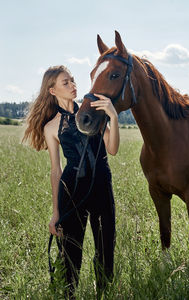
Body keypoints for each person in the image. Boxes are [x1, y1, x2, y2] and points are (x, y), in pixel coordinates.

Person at [23, 65, 119, 299]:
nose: (73, 85)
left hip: (101, 187)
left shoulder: (92, 113)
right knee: (69, 252)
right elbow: (56, 170)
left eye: (73, 80)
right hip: (72, 190)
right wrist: (55, 213)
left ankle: (103, 294)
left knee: (106, 249)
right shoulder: (51, 127)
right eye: (65, 82)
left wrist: (113, 116)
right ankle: (68, 295)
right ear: (52, 90)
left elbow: (113, 149)